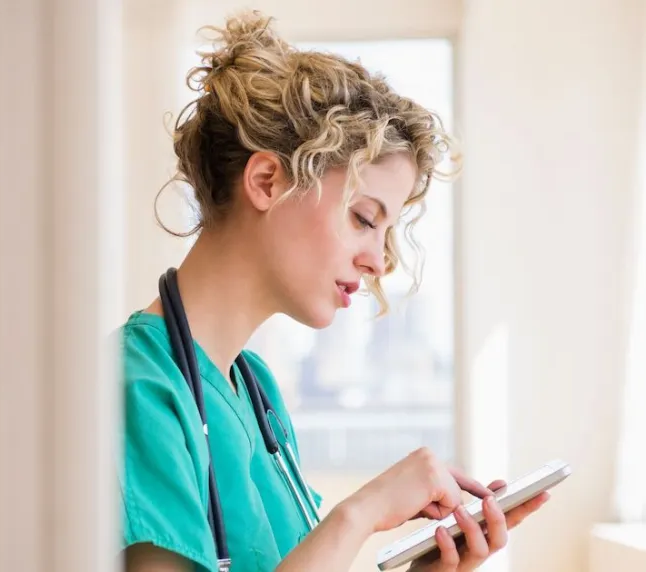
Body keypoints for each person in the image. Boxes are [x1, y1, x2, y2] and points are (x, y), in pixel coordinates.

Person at [118, 11, 550, 572]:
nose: (377, 260)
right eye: (365, 219)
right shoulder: (137, 389)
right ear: (267, 182)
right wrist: (360, 513)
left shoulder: (257, 391)